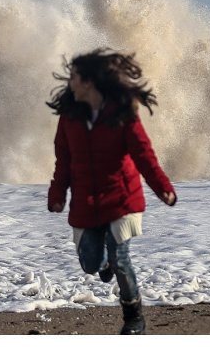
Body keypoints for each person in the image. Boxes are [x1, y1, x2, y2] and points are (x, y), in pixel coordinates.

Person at [47, 47, 177, 335]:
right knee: (91, 264)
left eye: (74, 78)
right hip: (87, 202)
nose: (70, 83)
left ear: (88, 82)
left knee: (120, 259)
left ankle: (134, 317)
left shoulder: (121, 114)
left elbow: (144, 155)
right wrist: (57, 196)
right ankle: (103, 262)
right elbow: (63, 161)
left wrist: (163, 189)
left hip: (121, 199)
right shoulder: (69, 118)